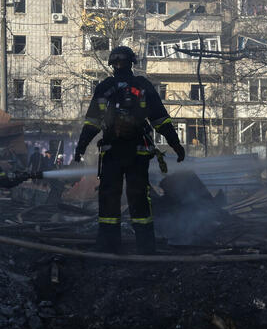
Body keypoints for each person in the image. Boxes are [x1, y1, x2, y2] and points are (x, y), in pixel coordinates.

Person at [73, 46, 185, 254]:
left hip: (116, 153)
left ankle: (110, 245)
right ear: (132, 62)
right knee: (135, 198)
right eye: (117, 62)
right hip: (134, 153)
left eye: (119, 62)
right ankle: (144, 246)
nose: (118, 66)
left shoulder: (106, 87)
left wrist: (81, 146)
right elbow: (160, 119)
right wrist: (175, 144)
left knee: (113, 198)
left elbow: (92, 123)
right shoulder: (142, 86)